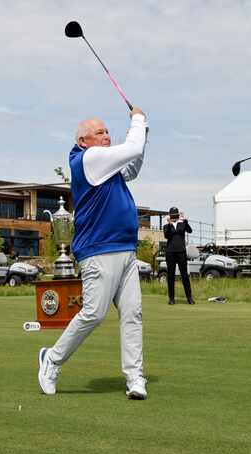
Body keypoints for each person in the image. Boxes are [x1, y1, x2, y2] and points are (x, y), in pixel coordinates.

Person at [37, 107, 149, 399]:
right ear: (83, 141)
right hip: (98, 250)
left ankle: (135, 377)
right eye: (100, 132)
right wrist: (137, 120)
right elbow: (132, 148)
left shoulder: (106, 163)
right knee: (93, 314)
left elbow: (133, 165)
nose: (106, 136)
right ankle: (52, 359)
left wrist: (143, 130)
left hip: (125, 249)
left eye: (107, 131)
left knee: (133, 313)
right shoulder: (89, 159)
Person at [163, 207, 194, 304]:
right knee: (171, 275)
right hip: (170, 252)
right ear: (170, 215)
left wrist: (185, 220)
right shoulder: (166, 226)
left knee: (184, 275)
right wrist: (169, 223)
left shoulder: (182, 223)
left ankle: (189, 298)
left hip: (181, 252)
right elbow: (166, 235)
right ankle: (171, 298)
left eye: (176, 215)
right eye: (173, 215)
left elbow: (190, 231)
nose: (174, 217)